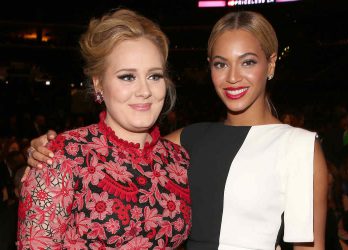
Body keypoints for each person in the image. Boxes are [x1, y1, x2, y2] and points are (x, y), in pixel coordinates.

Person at [26, 11, 328, 249]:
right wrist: (43, 161)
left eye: (248, 61)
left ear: (271, 64)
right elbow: (112, 156)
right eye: (221, 64)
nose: (233, 77)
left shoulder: (296, 148)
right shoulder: (188, 141)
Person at [18, 9, 191, 249]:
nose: (144, 91)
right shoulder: (60, 157)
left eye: (154, 76)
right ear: (99, 83)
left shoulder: (179, 161)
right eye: (127, 77)